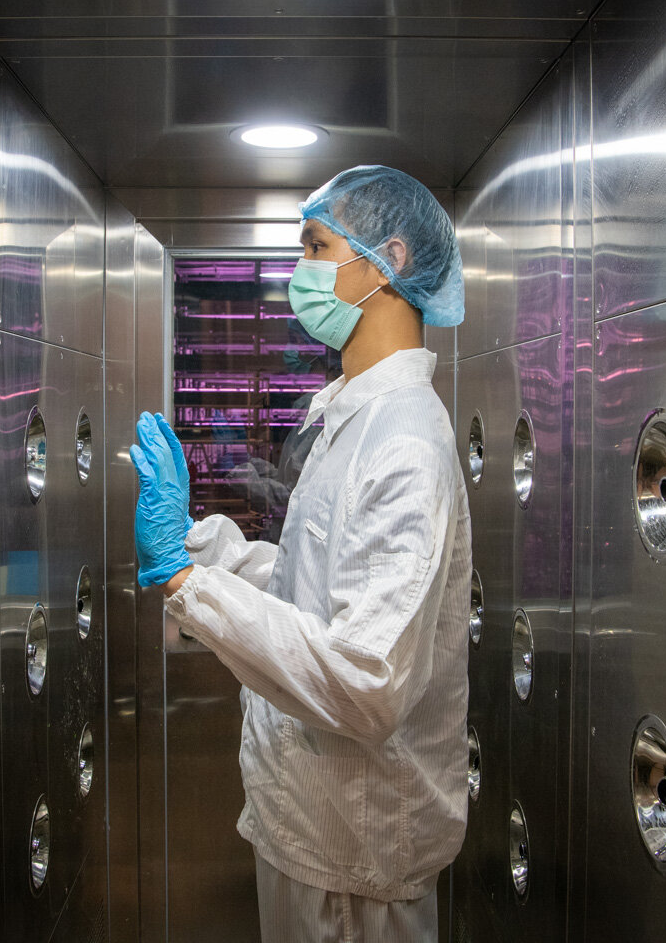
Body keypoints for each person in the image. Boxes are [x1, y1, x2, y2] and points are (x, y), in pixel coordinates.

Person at [130, 165, 471, 943]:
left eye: (316, 247)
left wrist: (189, 585)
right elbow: (302, 588)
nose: (300, 274)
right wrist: (193, 539)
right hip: (313, 829)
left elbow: (366, 683)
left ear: (388, 259)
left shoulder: (406, 443)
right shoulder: (352, 418)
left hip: (357, 860)